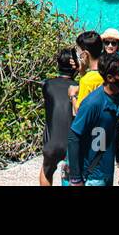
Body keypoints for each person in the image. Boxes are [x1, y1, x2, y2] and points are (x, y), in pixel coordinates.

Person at [66, 52, 119, 186]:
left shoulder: (117, 98)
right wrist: (76, 178)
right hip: (92, 176)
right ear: (110, 77)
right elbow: (73, 137)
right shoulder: (93, 103)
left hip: (107, 173)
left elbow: (114, 134)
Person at [40, 48, 78, 186]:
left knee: (46, 170)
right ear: (75, 66)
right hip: (72, 143)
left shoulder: (47, 84)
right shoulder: (78, 87)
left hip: (52, 142)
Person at [72, 30, 105, 112]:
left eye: (78, 51)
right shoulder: (109, 72)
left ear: (85, 54)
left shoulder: (87, 81)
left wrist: (72, 96)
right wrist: (82, 72)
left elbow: (80, 111)